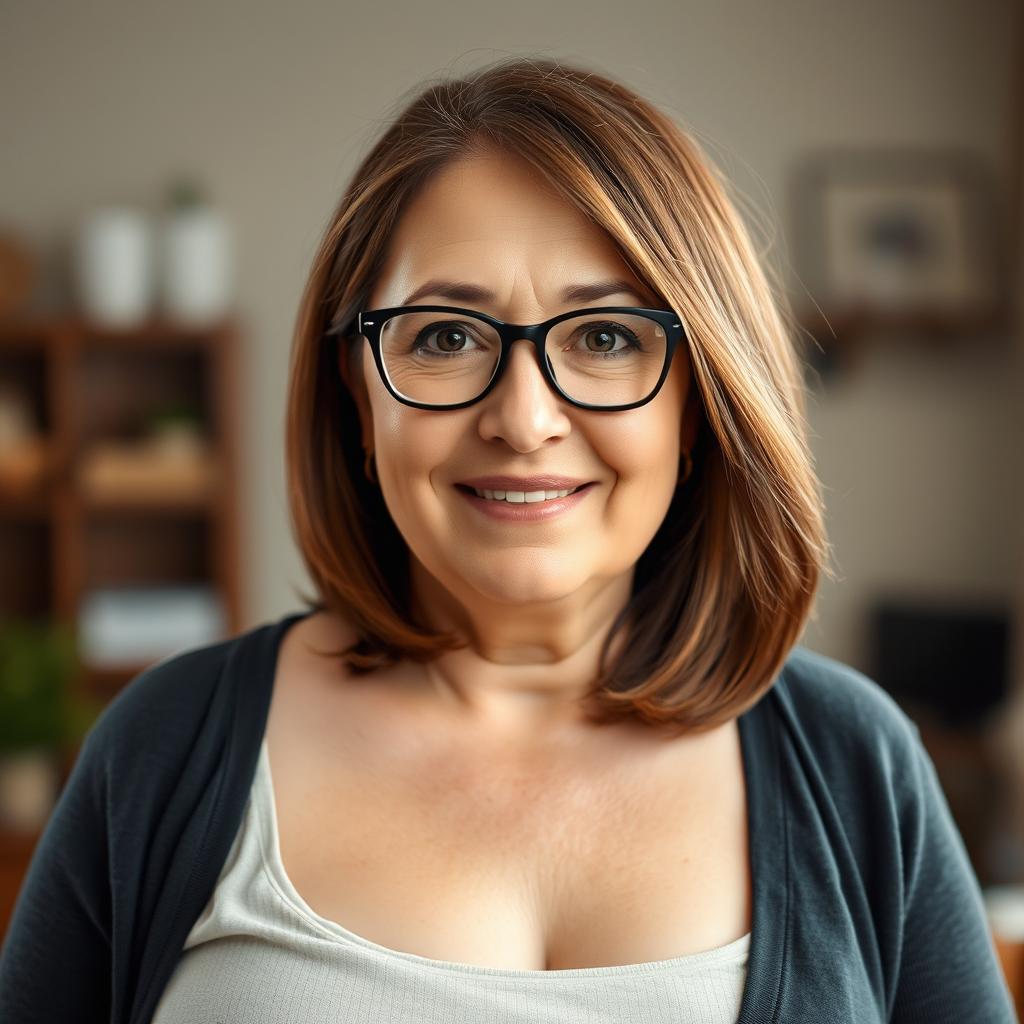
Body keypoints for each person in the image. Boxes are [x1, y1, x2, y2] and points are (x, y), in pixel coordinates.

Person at [0, 56, 1016, 1024]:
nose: (523, 418)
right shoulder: (165, 747)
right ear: (358, 394)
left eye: (607, 336)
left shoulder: (853, 759)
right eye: (444, 336)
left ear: (699, 402)